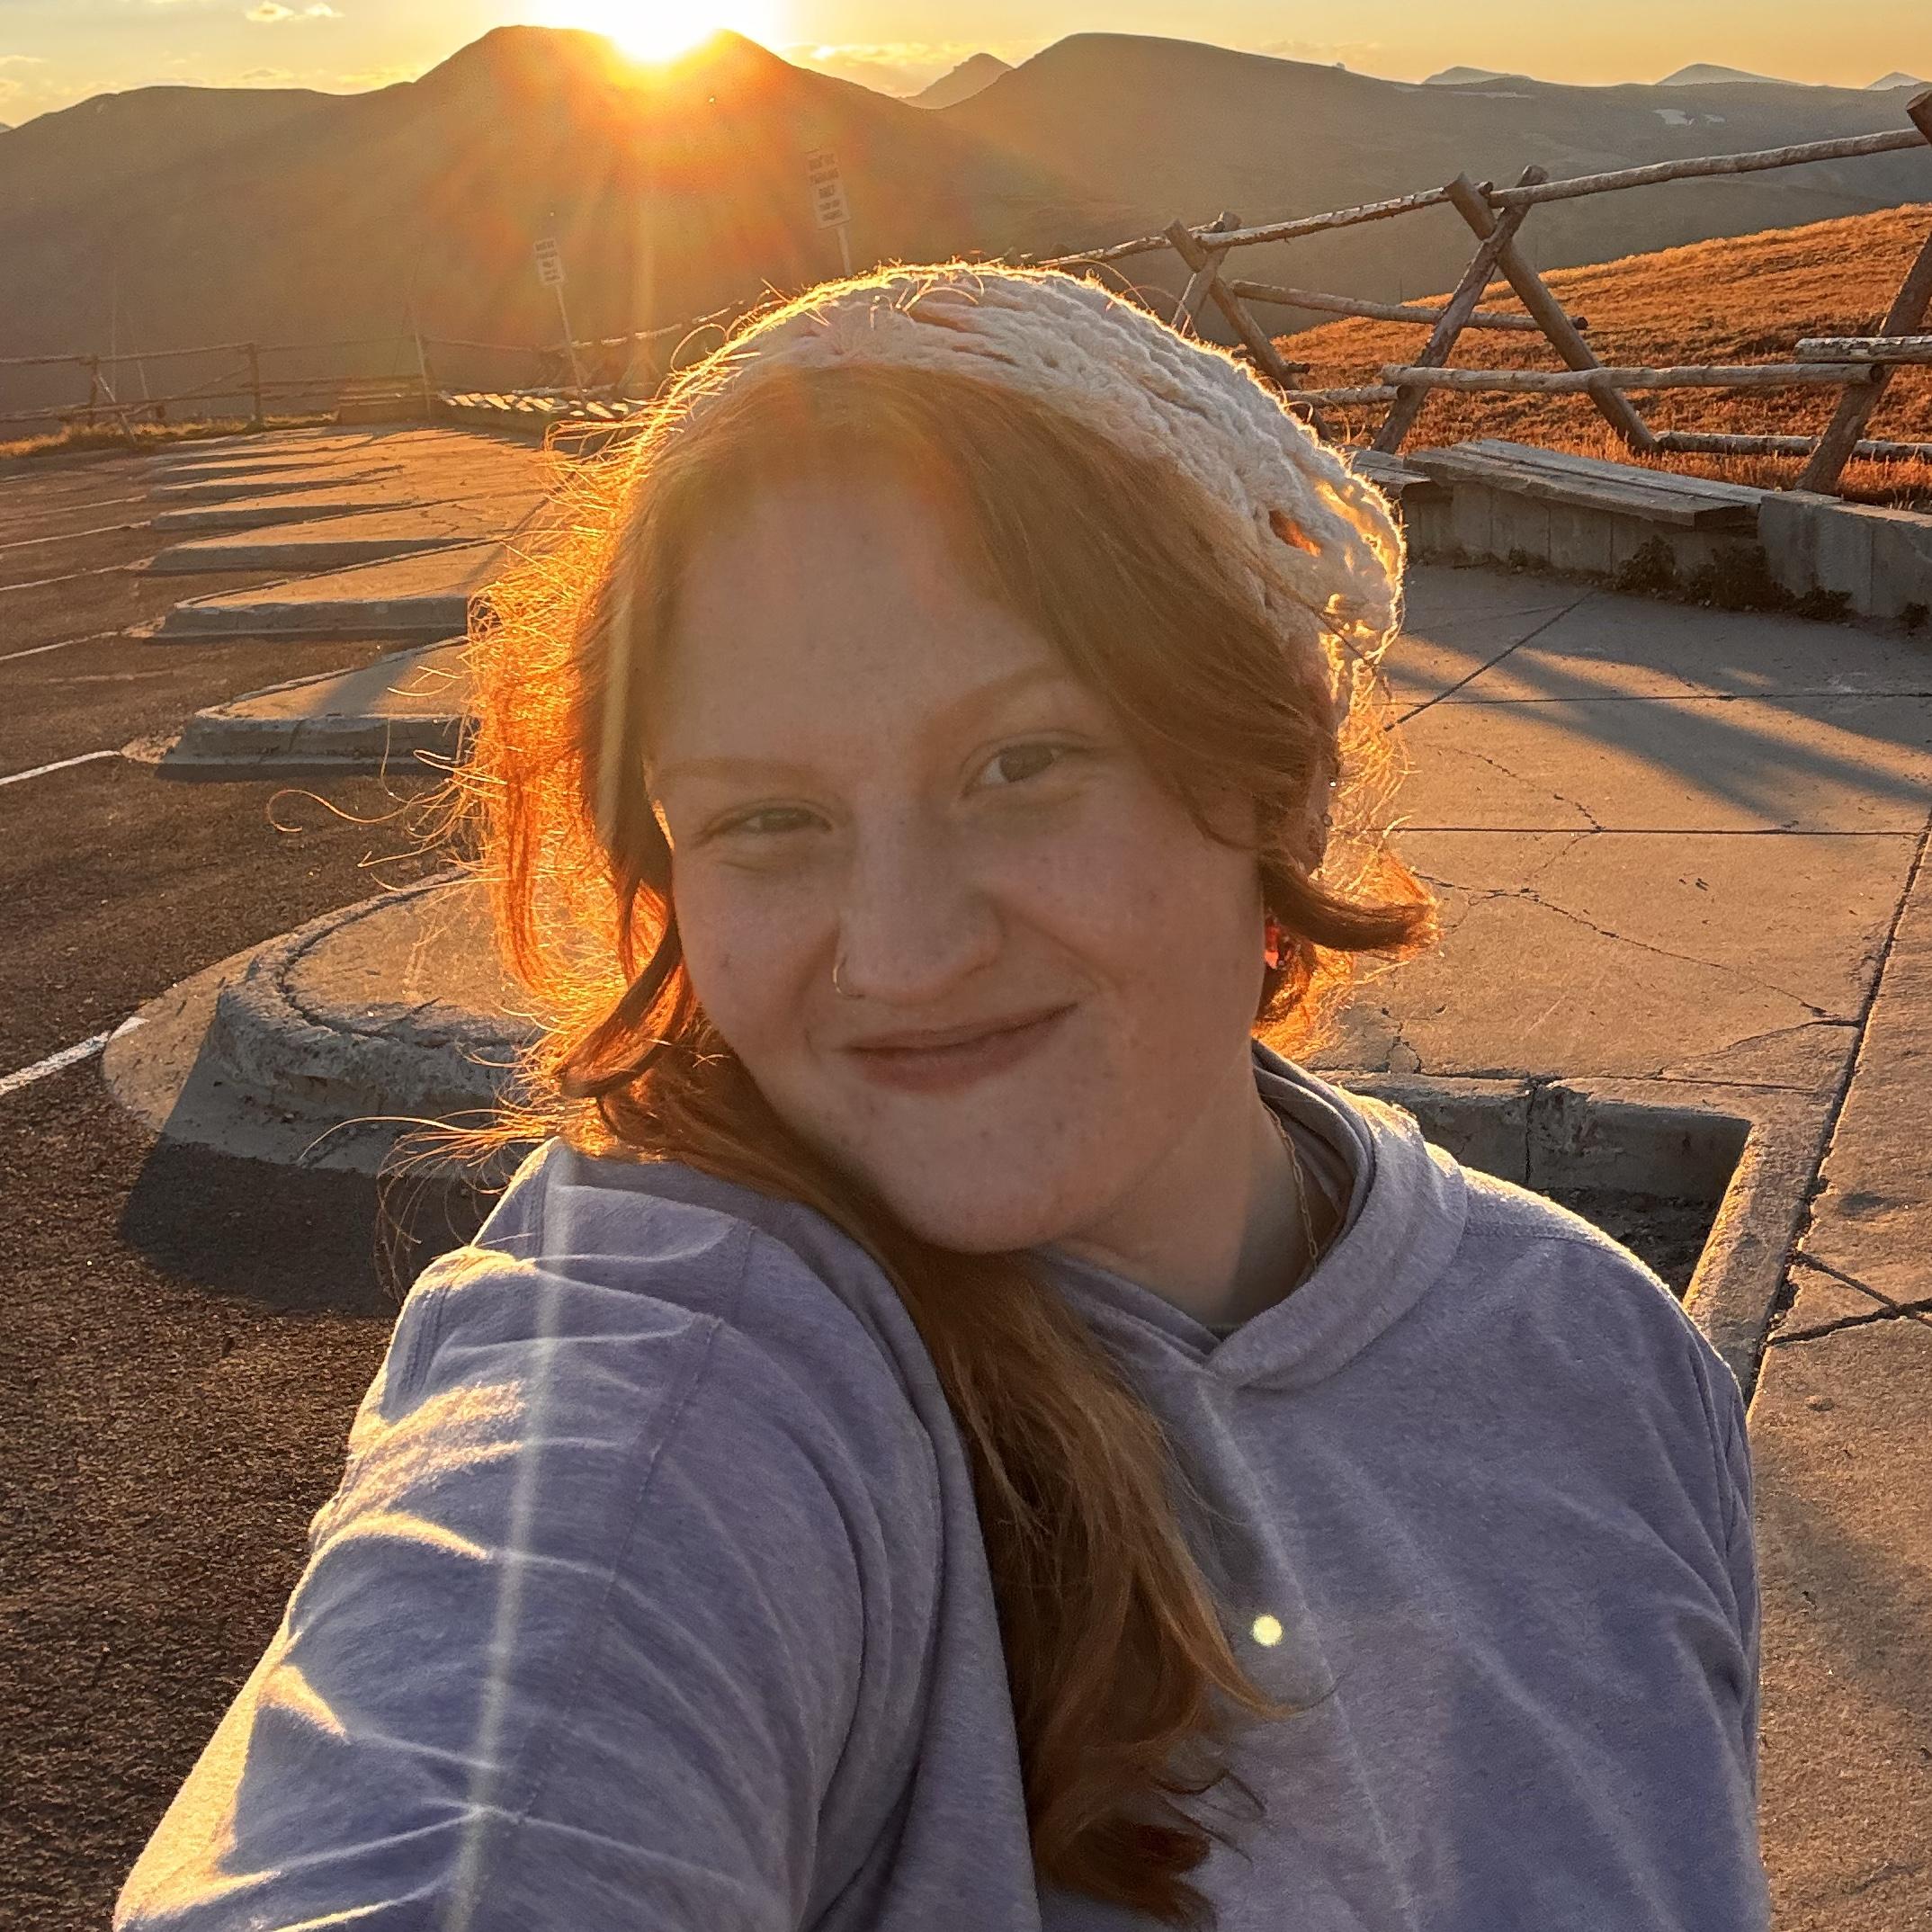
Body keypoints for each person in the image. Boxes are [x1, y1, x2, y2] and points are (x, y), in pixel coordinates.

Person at [117, 264, 1767, 1932]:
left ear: (1280, 773)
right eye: (769, 819)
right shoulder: (669, 1396)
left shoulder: (1602, 1356)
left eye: (1020, 765)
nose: (901, 957)